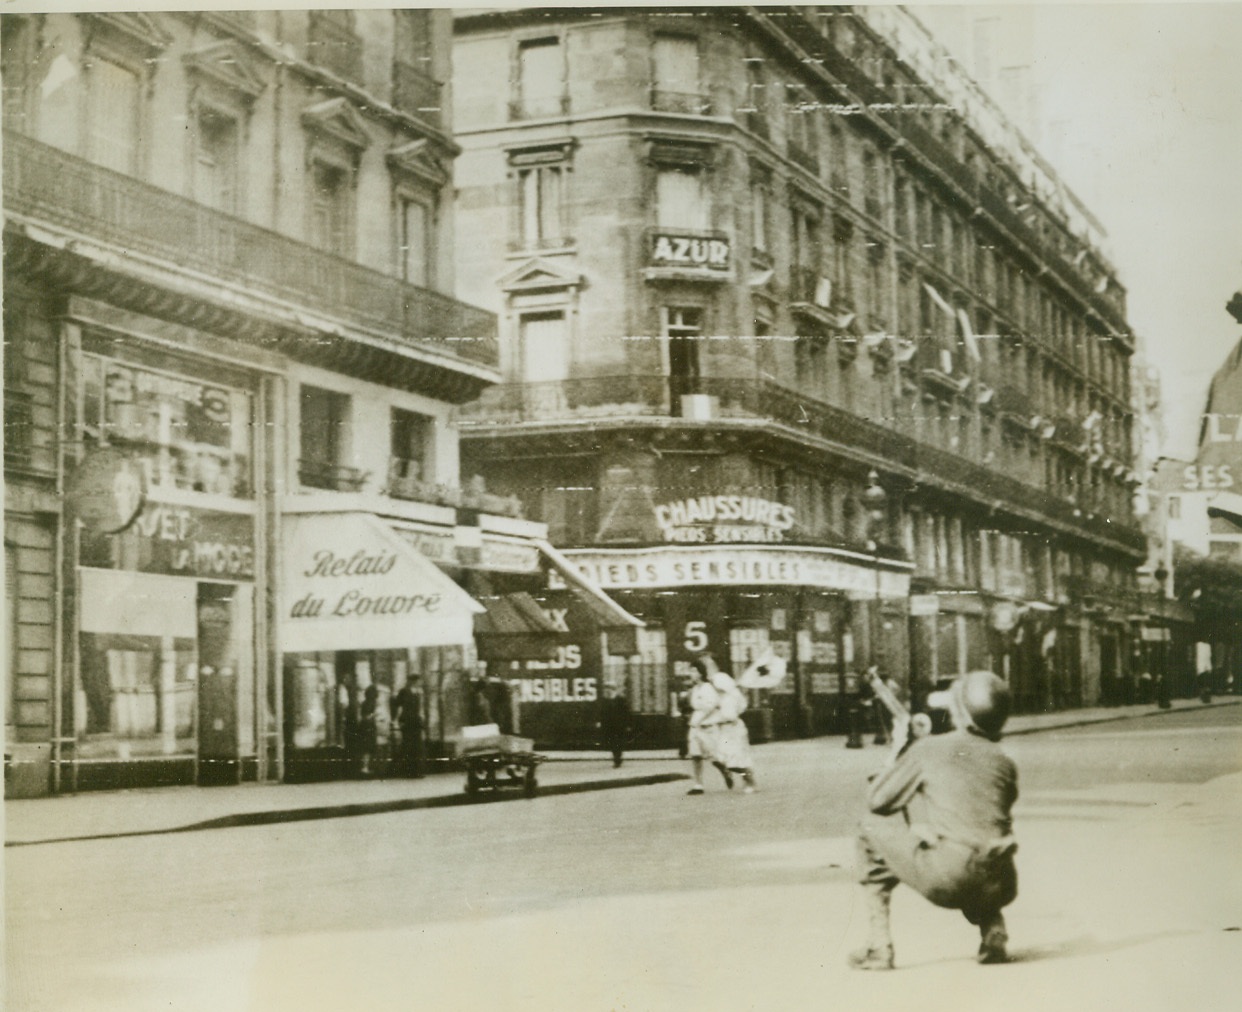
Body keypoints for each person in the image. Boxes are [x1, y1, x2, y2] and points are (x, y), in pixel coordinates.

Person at [849, 670, 1019, 971]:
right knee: (978, 846)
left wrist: (899, 753)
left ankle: (879, 946)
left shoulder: (929, 748)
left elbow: (878, 801)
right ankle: (993, 929)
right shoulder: (1003, 761)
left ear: (960, 711)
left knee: (868, 828)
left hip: (952, 878)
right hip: (1001, 881)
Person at [684, 654, 735, 794]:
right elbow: (694, 706)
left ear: (700, 673)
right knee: (695, 755)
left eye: (694, 671)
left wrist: (701, 719)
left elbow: (711, 705)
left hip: (708, 726)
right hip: (695, 726)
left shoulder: (707, 687)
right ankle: (698, 784)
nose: (691, 674)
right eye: (691, 671)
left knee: (715, 757)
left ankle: (725, 770)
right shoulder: (694, 690)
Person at [392, 679, 424, 778]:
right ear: (413, 682)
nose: (420, 683)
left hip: (415, 723)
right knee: (407, 747)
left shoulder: (418, 693)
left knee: (416, 747)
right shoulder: (404, 691)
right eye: (418, 681)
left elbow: (419, 709)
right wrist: (399, 721)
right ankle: (407, 771)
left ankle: (415, 771)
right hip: (407, 723)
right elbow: (396, 703)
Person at [599, 683, 632, 768]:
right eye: (607, 690)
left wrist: (628, 724)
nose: (608, 691)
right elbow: (602, 713)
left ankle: (617, 759)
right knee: (612, 743)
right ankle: (616, 758)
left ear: (614, 690)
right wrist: (601, 722)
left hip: (620, 726)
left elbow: (626, 713)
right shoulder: (605, 701)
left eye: (610, 689)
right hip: (609, 726)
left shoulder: (621, 700)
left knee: (619, 743)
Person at [357, 684, 379, 777]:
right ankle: (365, 767)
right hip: (369, 727)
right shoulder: (372, 703)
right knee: (368, 748)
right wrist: (374, 715)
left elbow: (362, 716)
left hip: (363, 726)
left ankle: (365, 767)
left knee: (365, 748)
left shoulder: (364, 702)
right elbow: (368, 715)